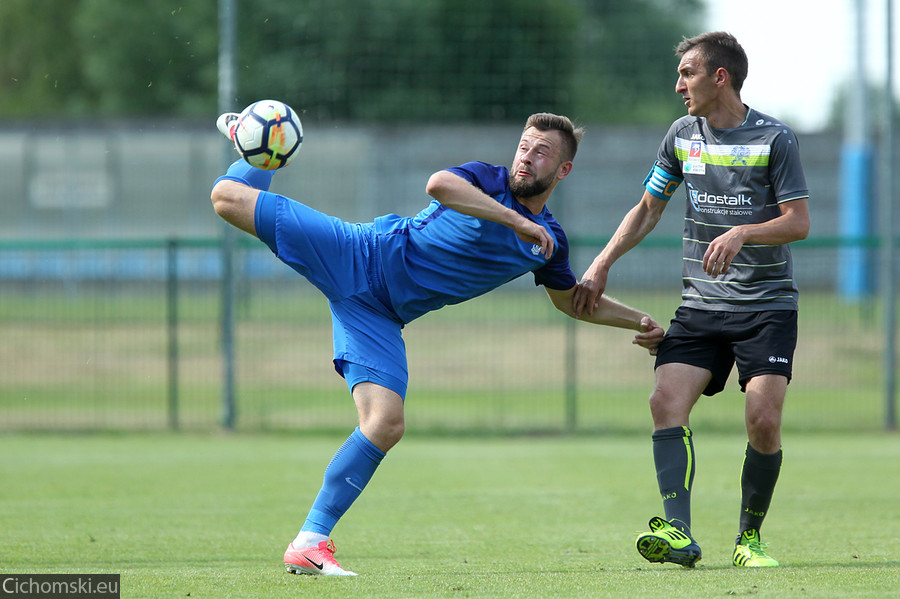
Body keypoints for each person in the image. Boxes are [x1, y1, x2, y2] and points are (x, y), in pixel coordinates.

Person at [211, 110, 665, 576]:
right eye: (524, 146)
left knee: (385, 423)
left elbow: (573, 302)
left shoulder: (548, 242)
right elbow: (439, 185)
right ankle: (251, 144)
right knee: (227, 198)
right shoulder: (488, 180)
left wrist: (641, 321)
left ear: (563, 170)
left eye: (542, 152)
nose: (527, 157)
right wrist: (516, 220)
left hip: (378, 316)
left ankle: (309, 542)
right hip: (359, 254)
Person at [574, 31, 810, 568]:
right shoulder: (682, 136)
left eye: (687, 73)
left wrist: (743, 233)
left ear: (719, 77)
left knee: (763, 421)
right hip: (701, 304)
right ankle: (678, 533)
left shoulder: (776, 138)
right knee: (664, 401)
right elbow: (647, 208)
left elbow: (798, 223)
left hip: (766, 305)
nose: (678, 85)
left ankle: (749, 540)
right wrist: (602, 263)